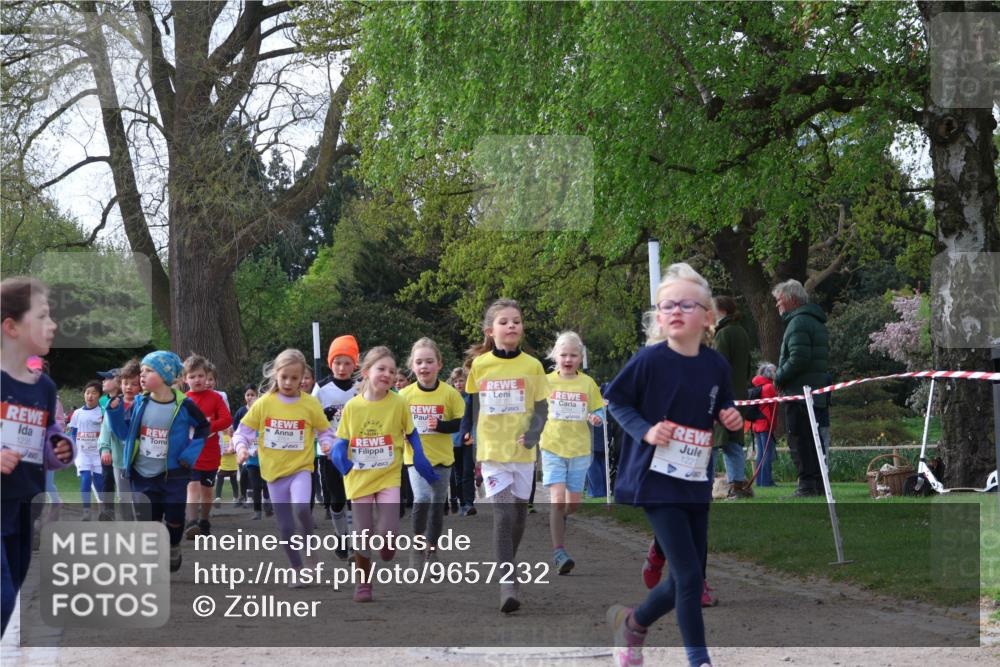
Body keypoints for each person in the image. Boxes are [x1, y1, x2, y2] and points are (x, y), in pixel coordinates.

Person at [605, 262, 742, 667]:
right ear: (658, 317)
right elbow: (617, 401)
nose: (676, 311)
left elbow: (722, 404)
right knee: (687, 576)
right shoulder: (649, 360)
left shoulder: (716, 365)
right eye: (667, 305)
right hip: (655, 479)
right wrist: (646, 431)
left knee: (689, 576)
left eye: (686, 304)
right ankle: (699, 660)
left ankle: (633, 623)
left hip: (695, 479)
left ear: (708, 316)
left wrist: (730, 416)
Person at [328, 346, 439, 602]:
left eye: (392, 370)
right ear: (366, 372)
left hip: (389, 475)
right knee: (362, 533)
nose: (388, 374)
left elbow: (411, 433)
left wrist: (420, 457)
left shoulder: (399, 402)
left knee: (389, 532)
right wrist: (340, 458)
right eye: (381, 369)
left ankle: (387, 545)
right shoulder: (353, 407)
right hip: (359, 478)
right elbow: (342, 440)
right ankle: (363, 584)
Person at [464, 299, 549, 613]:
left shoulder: (533, 366)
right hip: (492, 450)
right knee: (502, 515)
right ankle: (507, 581)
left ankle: (506, 564)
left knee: (518, 516)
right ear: (490, 331)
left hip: (523, 451)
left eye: (517, 320)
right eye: (504, 322)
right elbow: (474, 406)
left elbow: (542, 406)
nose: (512, 326)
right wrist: (472, 443)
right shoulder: (481, 366)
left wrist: (535, 434)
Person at [1, 277, 75, 636]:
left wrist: (58, 447)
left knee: (11, 592)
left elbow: (45, 435)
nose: (53, 325)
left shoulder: (44, 387)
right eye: (43, 316)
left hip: (24, 504)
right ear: (11, 327)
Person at [235, 349, 334, 586]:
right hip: (273, 473)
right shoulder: (263, 404)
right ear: (275, 376)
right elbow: (243, 432)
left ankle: (310, 548)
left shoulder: (310, 404)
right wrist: (241, 448)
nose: (288, 382)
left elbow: (324, 431)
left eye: (294, 378)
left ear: (303, 379)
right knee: (286, 526)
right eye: (284, 377)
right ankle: (297, 569)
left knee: (301, 507)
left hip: (301, 469)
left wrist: (328, 445)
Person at [105, 351, 209, 572]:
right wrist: (114, 414)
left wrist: (189, 455)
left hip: (174, 474)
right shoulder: (139, 404)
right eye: (141, 371)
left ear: (165, 375)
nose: (141, 376)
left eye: (148, 371)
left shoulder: (183, 405)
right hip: (142, 474)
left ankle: (173, 546)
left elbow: (203, 427)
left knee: (174, 518)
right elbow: (124, 434)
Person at [538, 331, 604, 575]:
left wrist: (597, 417)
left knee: (572, 504)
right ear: (555, 356)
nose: (568, 359)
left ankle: (561, 518)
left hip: (579, 449)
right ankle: (559, 552)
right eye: (563, 354)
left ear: (581, 357)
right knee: (557, 500)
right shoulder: (545, 381)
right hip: (552, 446)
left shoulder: (587, 383)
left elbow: (598, 408)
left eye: (573, 355)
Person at [399, 338, 465, 564]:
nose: (424, 367)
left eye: (429, 361)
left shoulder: (450, 394)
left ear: (439, 364)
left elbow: (461, 422)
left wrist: (441, 425)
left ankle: (432, 549)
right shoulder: (404, 395)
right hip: (416, 458)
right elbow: (393, 422)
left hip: (443, 459)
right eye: (419, 362)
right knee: (422, 498)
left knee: (437, 505)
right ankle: (417, 545)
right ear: (412, 366)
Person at [772, 279, 830, 497]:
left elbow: (798, 359)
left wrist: (779, 376)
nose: (777, 306)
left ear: (791, 300)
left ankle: (807, 486)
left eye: (779, 301)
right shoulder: (815, 321)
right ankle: (818, 484)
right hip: (815, 392)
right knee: (813, 441)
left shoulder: (798, 323)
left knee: (799, 439)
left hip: (799, 393)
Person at [313, 334, 359, 557]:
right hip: (329, 452)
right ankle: (341, 537)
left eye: (347, 362)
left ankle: (354, 542)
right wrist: (322, 414)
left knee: (355, 498)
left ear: (355, 364)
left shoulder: (360, 387)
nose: (342, 367)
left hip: (356, 451)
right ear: (330, 363)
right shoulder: (321, 388)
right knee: (337, 498)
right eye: (337, 362)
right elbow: (308, 416)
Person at [182, 354, 232, 538]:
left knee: (207, 491)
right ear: (185, 379)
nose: (197, 380)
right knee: (192, 486)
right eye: (192, 376)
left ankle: (204, 521)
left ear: (207, 376)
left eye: (201, 375)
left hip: (211, 453)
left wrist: (208, 427)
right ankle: (191, 522)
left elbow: (227, 419)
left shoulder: (215, 398)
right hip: (190, 453)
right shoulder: (183, 400)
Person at [712, 296, 753, 499]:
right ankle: (738, 484)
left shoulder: (723, 335)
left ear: (722, 311)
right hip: (739, 395)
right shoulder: (742, 332)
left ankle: (703, 488)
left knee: (711, 442)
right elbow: (747, 368)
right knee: (733, 443)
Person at [98, 358, 142, 519]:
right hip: (118, 458)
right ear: (120, 384)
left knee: (140, 496)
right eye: (125, 383)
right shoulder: (114, 404)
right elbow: (106, 429)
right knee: (124, 496)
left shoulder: (143, 404)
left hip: (140, 458)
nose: (129, 387)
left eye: (134, 384)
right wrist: (104, 448)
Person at [69, 380, 105, 520]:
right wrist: (73, 449)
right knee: (85, 478)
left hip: (98, 453)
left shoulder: (102, 412)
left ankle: (103, 508)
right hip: (82, 453)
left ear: (99, 396)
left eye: (94, 393)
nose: (90, 396)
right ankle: (86, 511)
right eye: (87, 392)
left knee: (99, 481)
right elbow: (73, 432)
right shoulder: (77, 413)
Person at [750, 363, 778, 487]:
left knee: (761, 454)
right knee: (767, 454)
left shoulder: (757, 386)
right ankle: (767, 482)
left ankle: (760, 481)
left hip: (756, 425)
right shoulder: (769, 387)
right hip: (765, 425)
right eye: (774, 371)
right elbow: (774, 408)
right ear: (770, 373)